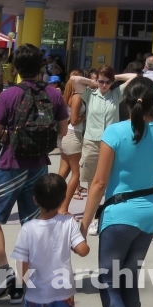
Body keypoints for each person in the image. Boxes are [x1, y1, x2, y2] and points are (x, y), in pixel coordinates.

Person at [80, 77, 153, 307]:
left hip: (119, 214)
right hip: (150, 213)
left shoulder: (114, 132)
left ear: (126, 100)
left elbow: (99, 183)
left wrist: (84, 222)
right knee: (129, 279)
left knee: (109, 281)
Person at [0, 44, 69, 301]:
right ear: (41, 67)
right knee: (32, 224)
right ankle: (23, 283)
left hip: (10, 164)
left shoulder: (9, 96)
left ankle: (4, 271)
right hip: (39, 166)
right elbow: (63, 131)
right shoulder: (54, 95)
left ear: (17, 69)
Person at [70, 67, 137, 233]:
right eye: (101, 81)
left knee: (110, 182)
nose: (104, 84)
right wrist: (92, 82)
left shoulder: (117, 94)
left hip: (111, 143)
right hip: (92, 142)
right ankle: (91, 218)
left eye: (107, 82)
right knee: (93, 182)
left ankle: (104, 216)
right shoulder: (89, 94)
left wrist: (116, 77)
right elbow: (74, 80)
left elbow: (134, 76)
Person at [11, 174, 89, 307]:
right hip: (64, 293)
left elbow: (21, 268)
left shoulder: (27, 229)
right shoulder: (68, 222)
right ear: (64, 199)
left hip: (36, 295)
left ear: (35, 199)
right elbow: (83, 250)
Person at [58, 71, 87, 216]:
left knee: (63, 172)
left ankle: (51, 201)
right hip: (73, 135)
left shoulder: (67, 96)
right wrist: (86, 116)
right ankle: (63, 208)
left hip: (65, 135)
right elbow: (75, 120)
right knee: (76, 174)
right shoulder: (77, 98)